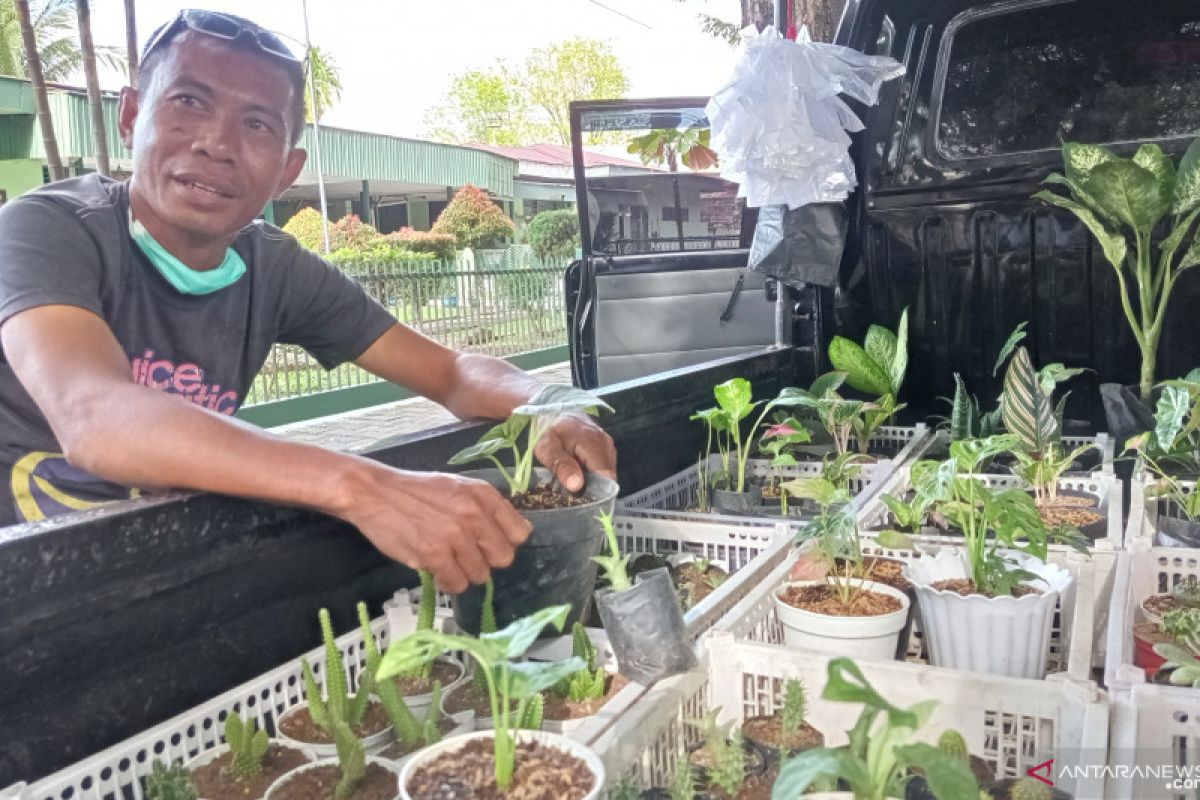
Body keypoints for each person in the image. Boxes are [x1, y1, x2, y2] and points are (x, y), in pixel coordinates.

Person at [0, 9, 616, 594]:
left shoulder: (275, 268)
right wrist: (363, 486)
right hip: (28, 590)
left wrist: (553, 402)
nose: (216, 143)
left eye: (257, 124)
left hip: (166, 567)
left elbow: (450, 372)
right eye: (189, 102)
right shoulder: (47, 230)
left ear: (288, 170)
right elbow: (95, 418)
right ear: (132, 117)